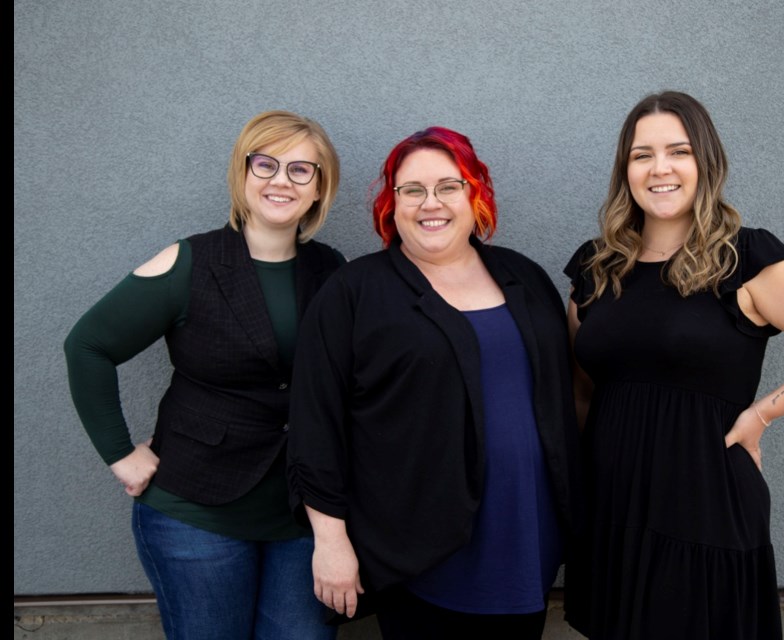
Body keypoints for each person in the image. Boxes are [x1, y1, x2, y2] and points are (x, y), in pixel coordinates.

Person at [562, 91, 784, 639]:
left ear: (706, 163)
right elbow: (581, 390)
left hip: (704, 504)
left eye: (679, 151)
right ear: (626, 170)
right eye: (642, 154)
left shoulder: (746, 259)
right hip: (612, 508)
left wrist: (762, 414)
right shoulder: (596, 268)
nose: (660, 168)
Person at [287, 126, 582, 640]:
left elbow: (561, 400)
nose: (431, 203)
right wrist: (330, 541)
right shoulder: (354, 294)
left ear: (475, 195)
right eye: (412, 189)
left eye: (450, 186)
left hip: (526, 543)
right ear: (391, 203)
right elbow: (316, 423)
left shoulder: (525, 278)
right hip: (420, 557)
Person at [64, 110, 344, 640]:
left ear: (319, 189)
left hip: (301, 517)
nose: (280, 180)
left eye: (301, 170)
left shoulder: (331, 268)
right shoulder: (188, 261)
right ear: (242, 174)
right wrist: (120, 453)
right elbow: (88, 346)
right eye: (265, 164)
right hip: (195, 515)